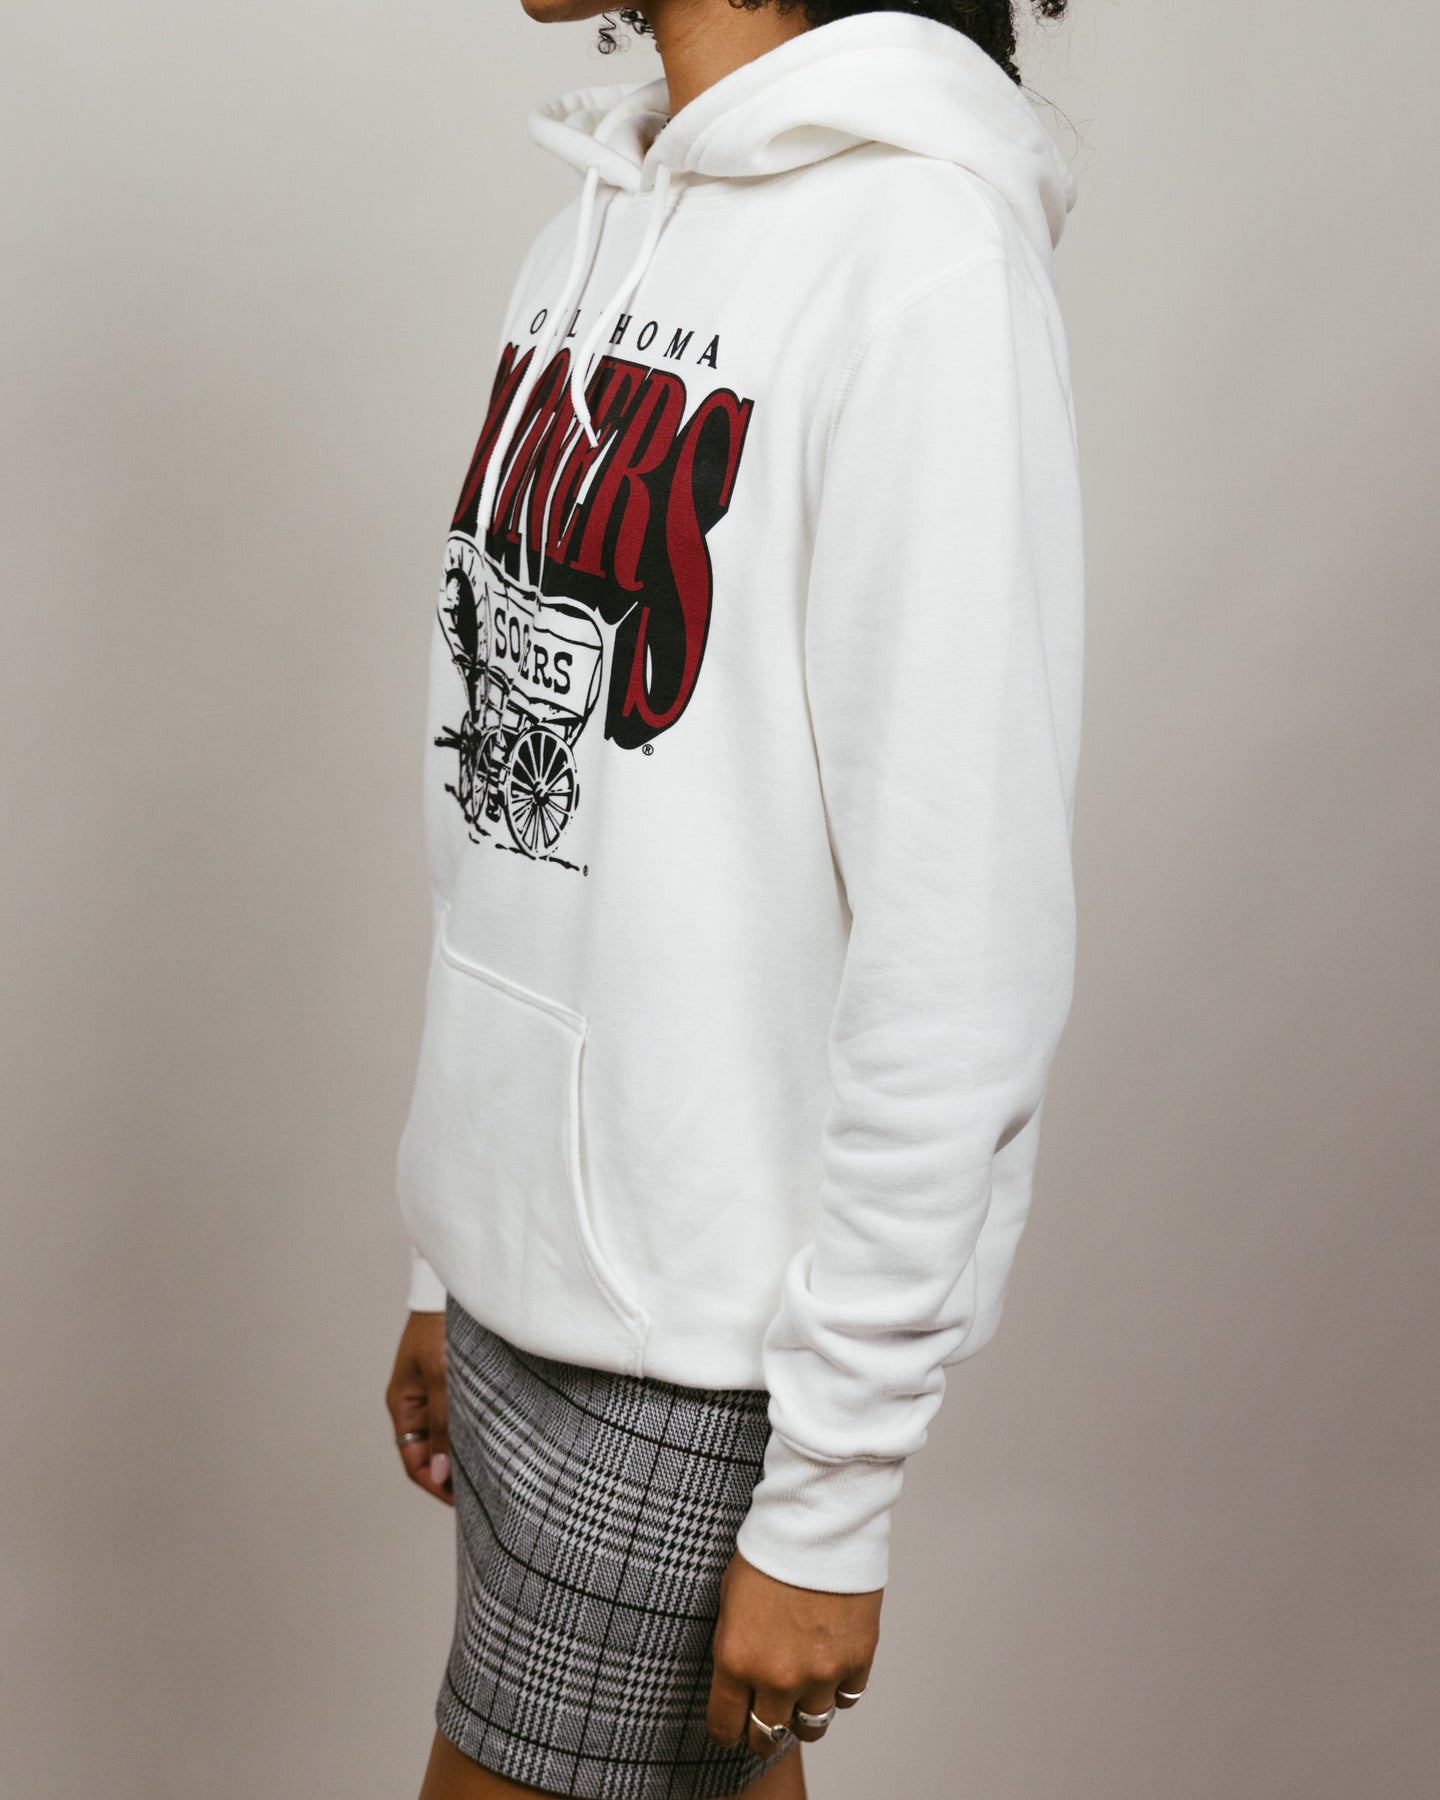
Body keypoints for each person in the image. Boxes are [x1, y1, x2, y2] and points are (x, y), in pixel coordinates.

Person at [384, 2, 1081, 1795]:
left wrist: (834, 1488)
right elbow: (512, 799)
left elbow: (961, 933)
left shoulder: (920, 255)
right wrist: (454, 1242)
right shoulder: (590, 229)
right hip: (536, 1287)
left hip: (702, 1351)